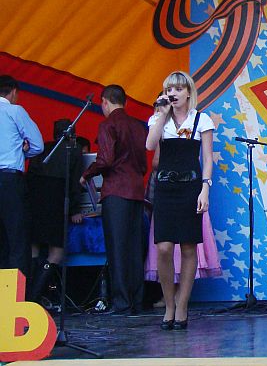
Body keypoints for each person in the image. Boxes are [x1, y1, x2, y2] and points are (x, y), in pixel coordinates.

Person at [146, 71, 214, 331]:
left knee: (188, 246)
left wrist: (205, 189)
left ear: (188, 93)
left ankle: (182, 304)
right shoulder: (158, 119)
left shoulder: (201, 119)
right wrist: (161, 115)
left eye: (177, 89)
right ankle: (169, 304)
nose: (172, 93)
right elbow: (150, 145)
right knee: (164, 247)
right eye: (168, 89)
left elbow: (207, 158)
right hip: (165, 187)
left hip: (190, 186)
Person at [81, 84, 148, 315]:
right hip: (136, 191)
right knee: (135, 248)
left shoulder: (108, 124)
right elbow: (143, 164)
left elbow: (105, 160)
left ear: (104, 102)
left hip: (116, 191)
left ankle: (122, 303)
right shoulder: (138, 126)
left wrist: (87, 173)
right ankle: (137, 300)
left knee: (117, 249)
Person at [27, 119, 89, 305]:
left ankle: (28, 295)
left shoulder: (40, 150)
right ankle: (34, 297)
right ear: (73, 135)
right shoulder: (74, 151)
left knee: (33, 250)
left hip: (34, 204)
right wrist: (75, 210)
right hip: (56, 204)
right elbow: (74, 184)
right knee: (56, 253)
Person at [0, 75, 43, 282]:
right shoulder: (15, 111)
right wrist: (22, 152)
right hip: (9, 180)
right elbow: (38, 145)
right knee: (17, 239)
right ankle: (15, 297)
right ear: (14, 92)